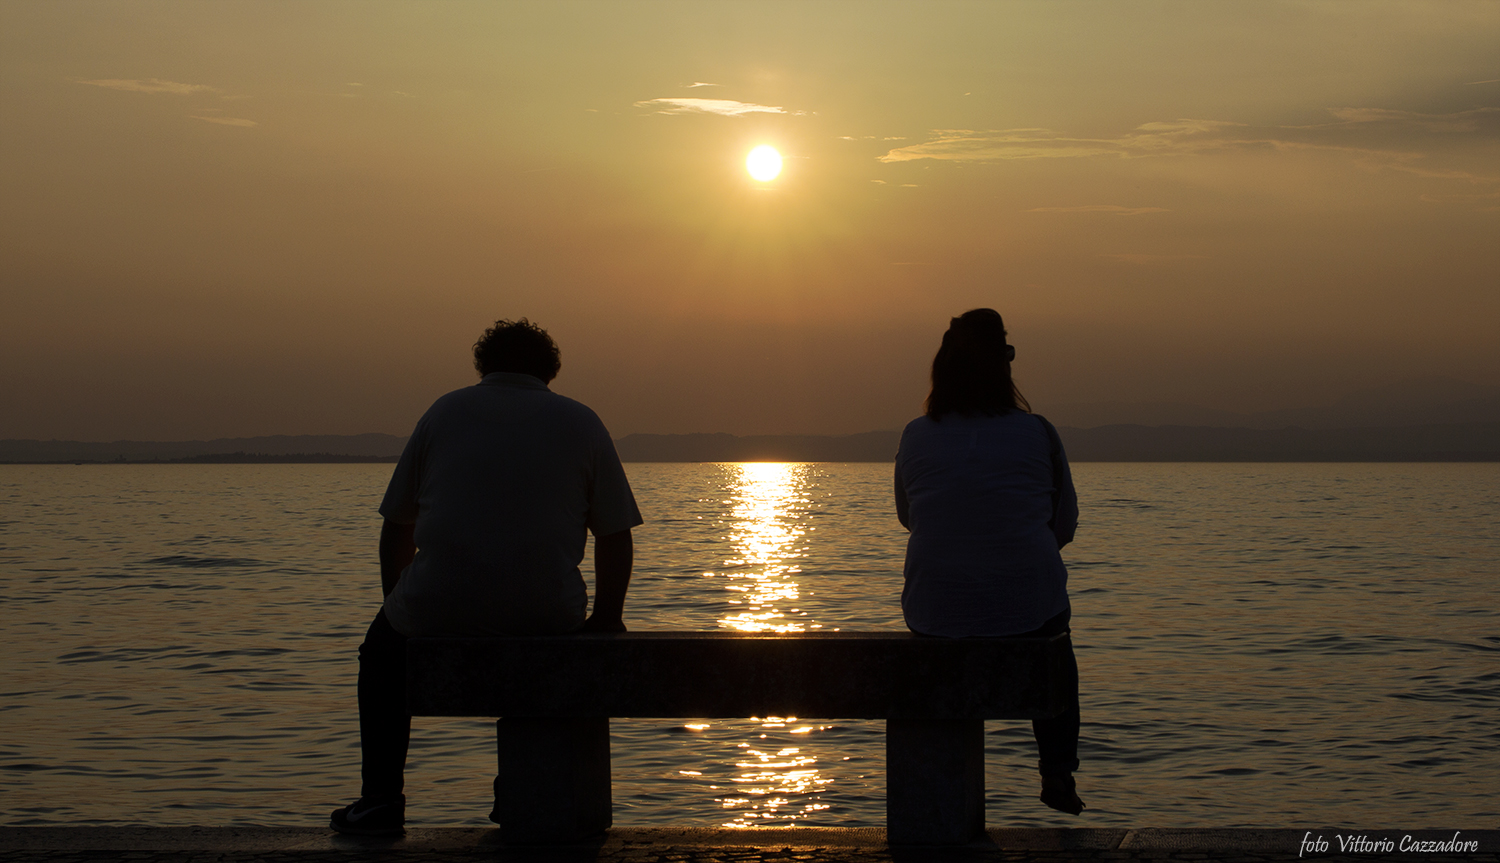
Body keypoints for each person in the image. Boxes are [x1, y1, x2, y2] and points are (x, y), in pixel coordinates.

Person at [330, 318, 643, 836]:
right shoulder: (581, 422)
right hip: (547, 614)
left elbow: (396, 527)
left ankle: (381, 798)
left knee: (380, 653)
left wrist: (402, 607)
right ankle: (525, 792)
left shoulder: (443, 412)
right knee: (548, 649)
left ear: (484, 365)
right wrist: (608, 616)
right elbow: (615, 533)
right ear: (550, 370)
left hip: (432, 607)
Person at [893, 308, 1084, 816]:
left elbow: (909, 519)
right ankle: (1057, 770)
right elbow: (1063, 528)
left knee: (946, 654)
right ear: (1005, 365)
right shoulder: (1038, 433)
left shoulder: (915, 434)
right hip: (1029, 613)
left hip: (934, 615)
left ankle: (937, 795)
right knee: (1057, 643)